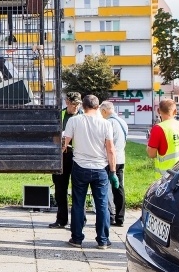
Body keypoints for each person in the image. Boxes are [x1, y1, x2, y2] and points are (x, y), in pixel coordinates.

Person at [62, 94, 116, 249]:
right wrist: (112, 172)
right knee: (102, 205)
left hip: (80, 167)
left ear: (83, 106)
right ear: (98, 107)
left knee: (78, 203)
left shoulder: (74, 121)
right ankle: (103, 240)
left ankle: (77, 238)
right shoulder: (106, 124)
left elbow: (64, 143)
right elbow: (111, 149)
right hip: (100, 169)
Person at [49, 92, 83, 229]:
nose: (75, 107)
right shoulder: (60, 115)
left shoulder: (83, 116)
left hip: (78, 155)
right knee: (60, 188)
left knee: (78, 189)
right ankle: (62, 219)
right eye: (73, 104)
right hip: (62, 155)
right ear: (66, 102)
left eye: (77, 104)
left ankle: (80, 220)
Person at [147, 99, 179, 179]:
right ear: (175, 111)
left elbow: (151, 154)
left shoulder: (158, 128)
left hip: (166, 177)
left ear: (158, 111)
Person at [100, 101, 128, 227]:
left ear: (104, 111)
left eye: (101, 112)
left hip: (109, 160)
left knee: (105, 188)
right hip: (121, 159)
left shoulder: (108, 123)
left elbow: (105, 143)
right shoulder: (123, 122)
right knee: (119, 188)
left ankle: (109, 216)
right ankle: (120, 218)